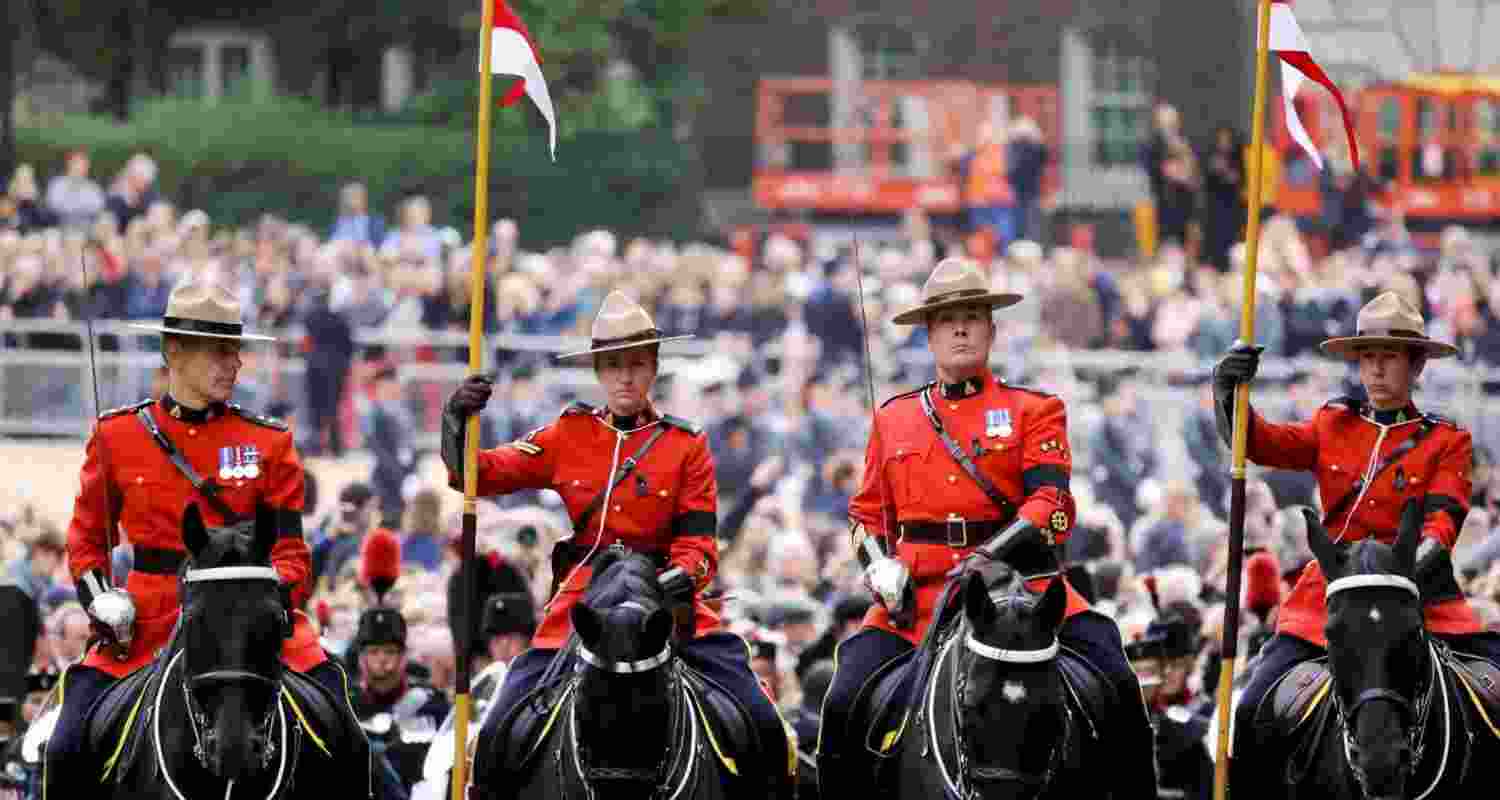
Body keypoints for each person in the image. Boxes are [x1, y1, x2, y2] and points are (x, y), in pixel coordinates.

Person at [817, 256, 1157, 798]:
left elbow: (1051, 501)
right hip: (920, 597)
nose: (960, 327)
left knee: (1116, 678)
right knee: (842, 700)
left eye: (973, 316)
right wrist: (879, 567)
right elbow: (864, 516)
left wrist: (988, 555)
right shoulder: (893, 419)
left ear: (991, 331)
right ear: (927, 334)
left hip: (1025, 589)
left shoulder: (1034, 410)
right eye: (948, 318)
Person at [445, 290, 793, 797]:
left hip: (668, 605)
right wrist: (457, 420)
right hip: (584, 602)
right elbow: (476, 475)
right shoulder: (569, 434)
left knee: (762, 722)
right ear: (598, 372)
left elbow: (700, 549)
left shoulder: (686, 444)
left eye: (635, 364)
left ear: (653, 367)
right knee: (498, 728)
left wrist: (662, 585)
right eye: (612, 366)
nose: (624, 377)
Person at [46, 278, 364, 797]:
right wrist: (102, 602)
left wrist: (264, 599)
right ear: (174, 351)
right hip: (147, 620)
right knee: (64, 749)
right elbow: (86, 543)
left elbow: (290, 552)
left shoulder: (269, 442)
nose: (233, 363)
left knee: (349, 736)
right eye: (218, 352)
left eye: (235, 351)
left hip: (251, 620)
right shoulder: (117, 437)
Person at [1218, 291, 1500, 793]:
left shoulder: (1446, 440)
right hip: (1329, 598)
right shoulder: (1333, 423)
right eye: (1367, 357)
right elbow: (1258, 443)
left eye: (1389, 357)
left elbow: (1444, 518)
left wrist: (1408, 562)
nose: (1375, 370)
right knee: (1253, 705)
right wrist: (1228, 392)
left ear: (1416, 365)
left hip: (1421, 597)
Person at [350, 606, 450, 800]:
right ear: (361, 658)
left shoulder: (431, 705)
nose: (382, 660)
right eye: (374, 651)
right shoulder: (346, 705)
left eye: (390, 651)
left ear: (404, 656)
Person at [1127, 608, 1213, 800]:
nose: (1169, 674)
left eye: (1177, 665)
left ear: (1189, 665)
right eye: (1143, 672)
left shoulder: (1204, 717)